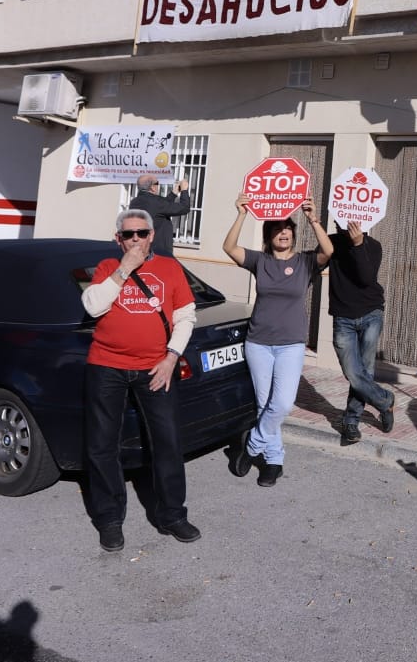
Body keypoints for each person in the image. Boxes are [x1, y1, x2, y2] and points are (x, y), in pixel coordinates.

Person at [79, 207, 202, 551]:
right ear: (118, 239)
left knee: (167, 441)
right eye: (128, 234)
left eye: (141, 233)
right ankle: (109, 518)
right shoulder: (107, 268)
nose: (135, 239)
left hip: (156, 367)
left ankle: (172, 514)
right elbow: (92, 306)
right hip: (106, 366)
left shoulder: (170, 267)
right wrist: (123, 271)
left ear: (152, 236)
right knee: (102, 445)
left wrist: (171, 357)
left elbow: (185, 317)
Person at [221, 194, 332, 485]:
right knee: (264, 404)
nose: (283, 232)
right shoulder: (260, 261)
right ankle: (274, 461)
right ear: (269, 236)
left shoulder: (306, 262)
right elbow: (229, 247)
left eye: (288, 228)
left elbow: (329, 250)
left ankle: (252, 445)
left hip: (291, 345)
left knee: (282, 403)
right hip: (258, 342)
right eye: (277, 229)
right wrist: (242, 214)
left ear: (293, 233)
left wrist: (313, 219)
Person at [327, 220, 396, 445]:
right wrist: (313, 220)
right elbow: (314, 260)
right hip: (343, 318)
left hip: (370, 314)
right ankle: (385, 401)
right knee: (354, 373)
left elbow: (366, 278)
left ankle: (351, 421)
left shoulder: (373, 245)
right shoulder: (331, 243)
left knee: (364, 371)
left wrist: (358, 244)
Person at [128, 174, 192, 259]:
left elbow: (160, 207)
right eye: (157, 183)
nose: (158, 186)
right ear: (152, 187)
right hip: (159, 252)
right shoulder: (156, 202)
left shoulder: (134, 202)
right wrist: (184, 190)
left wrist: (173, 193)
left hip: (141, 249)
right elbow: (184, 208)